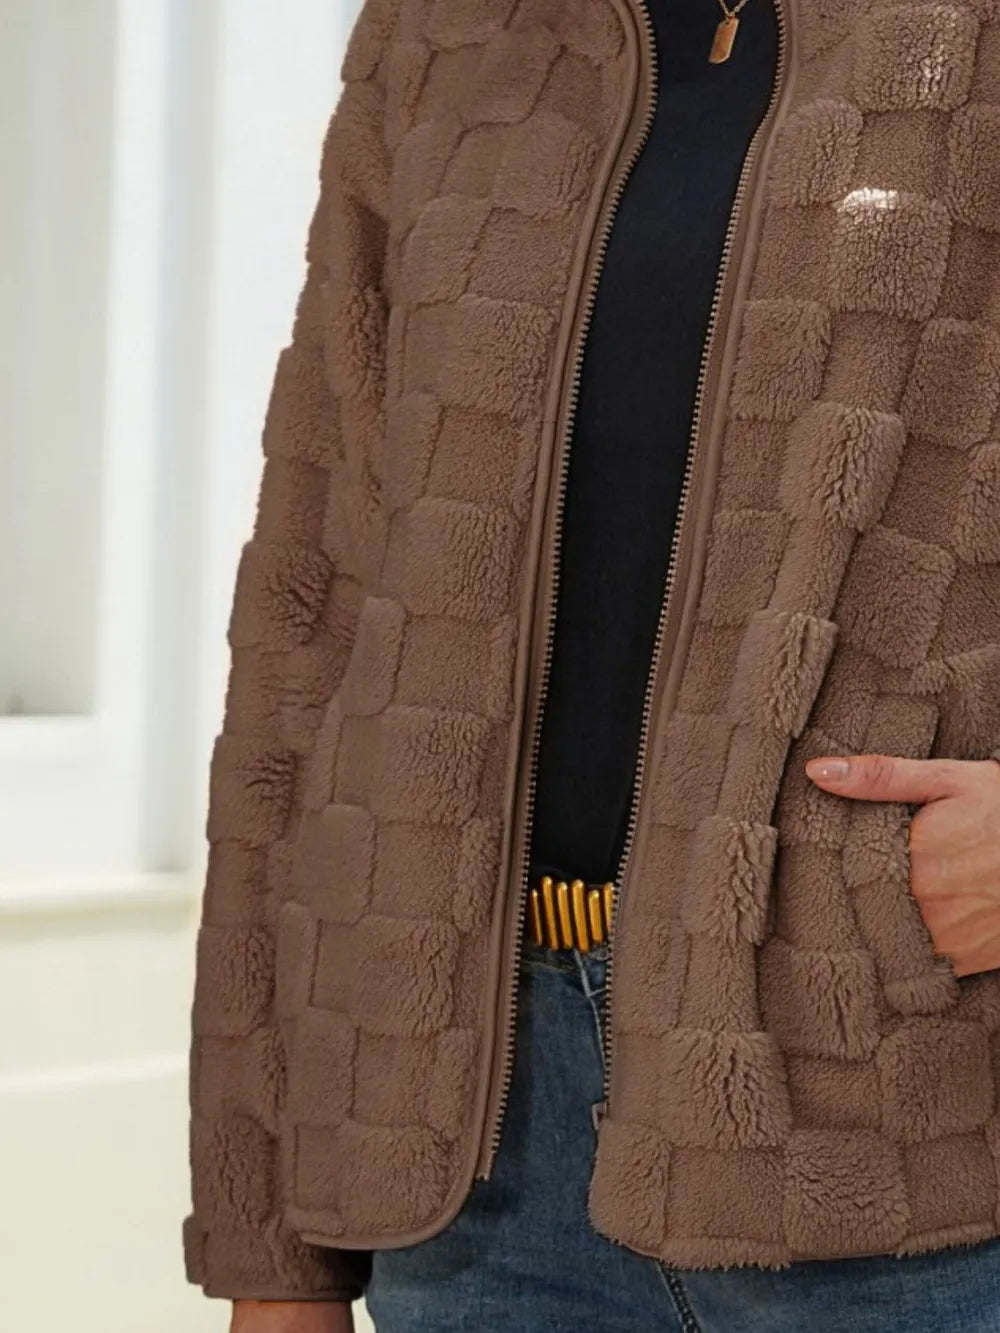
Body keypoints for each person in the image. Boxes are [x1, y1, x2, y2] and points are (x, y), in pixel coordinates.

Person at [182, 0, 1000, 1328]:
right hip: (461, 1161)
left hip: (907, 1134)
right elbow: (312, 616)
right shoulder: (449, 35)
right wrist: (270, 1238)